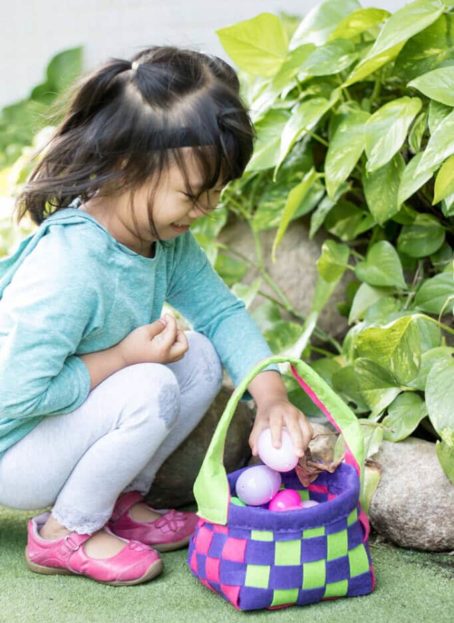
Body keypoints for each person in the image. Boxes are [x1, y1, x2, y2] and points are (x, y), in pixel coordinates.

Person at [0, 46, 313, 586]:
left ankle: (115, 499)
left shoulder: (158, 238)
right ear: (126, 167)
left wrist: (270, 395)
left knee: (199, 356)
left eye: (218, 191)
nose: (209, 208)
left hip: (56, 425)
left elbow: (219, 312)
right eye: (194, 193)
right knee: (148, 383)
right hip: (14, 446)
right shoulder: (69, 268)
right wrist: (121, 358)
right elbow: (16, 395)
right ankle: (65, 532)